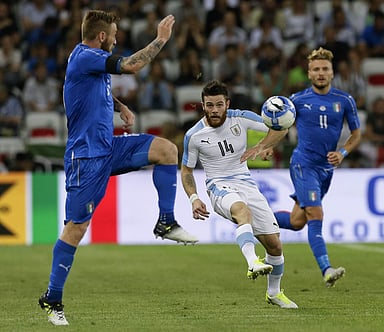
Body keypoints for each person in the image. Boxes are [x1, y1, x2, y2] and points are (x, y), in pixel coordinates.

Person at [37, 10, 198, 326]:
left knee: (166, 150)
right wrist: (160, 40)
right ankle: (51, 298)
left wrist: (120, 106)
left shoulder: (89, 60)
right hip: (85, 158)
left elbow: (91, 92)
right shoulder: (86, 57)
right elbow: (133, 66)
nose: (116, 38)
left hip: (108, 147)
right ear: (101, 37)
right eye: (113, 34)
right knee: (76, 229)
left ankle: (166, 222)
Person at [244, 47, 362, 287]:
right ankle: (326, 269)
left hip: (326, 169)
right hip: (303, 164)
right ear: (309, 73)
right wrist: (268, 146)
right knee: (315, 214)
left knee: (298, 222)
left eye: (325, 69)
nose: (321, 73)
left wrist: (342, 152)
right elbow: (283, 127)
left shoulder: (344, 100)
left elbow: (356, 134)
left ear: (332, 72)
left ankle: (253, 217)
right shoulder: (297, 100)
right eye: (316, 69)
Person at [181, 80, 297, 309]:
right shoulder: (194, 135)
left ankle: (274, 293)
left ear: (227, 104)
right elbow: (186, 170)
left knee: (275, 245)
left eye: (219, 105)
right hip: (218, 186)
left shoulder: (241, 117)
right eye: (209, 105)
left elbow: (280, 127)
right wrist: (194, 198)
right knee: (241, 210)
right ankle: (252, 261)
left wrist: (263, 145)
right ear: (203, 106)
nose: (214, 110)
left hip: (246, 184)